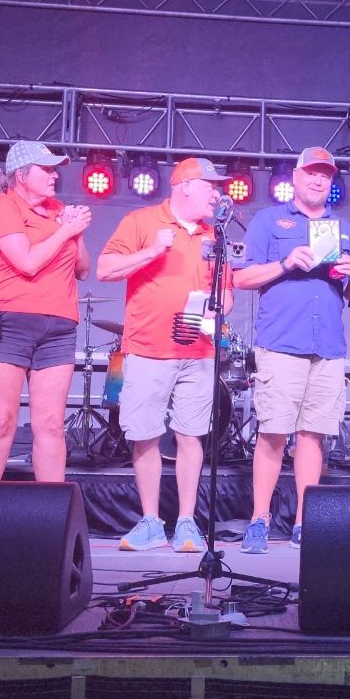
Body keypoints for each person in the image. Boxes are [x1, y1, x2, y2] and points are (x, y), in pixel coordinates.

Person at [232, 147, 350, 553]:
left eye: (325, 175)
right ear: (297, 174)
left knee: (313, 435)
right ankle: (260, 518)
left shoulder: (344, 230)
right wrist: (287, 263)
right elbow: (242, 278)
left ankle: (306, 524)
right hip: (281, 345)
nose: (318, 180)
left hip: (326, 347)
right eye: (312, 172)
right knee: (273, 432)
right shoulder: (268, 221)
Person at [97, 157, 233, 552]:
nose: (217, 193)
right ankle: (151, 521)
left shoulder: (215, 236)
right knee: (145, 435)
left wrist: (216, 306)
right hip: (147, 348)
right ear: (186, 186)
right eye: (210, 186)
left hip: (199, 351)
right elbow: (104, 269)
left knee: (191, 437)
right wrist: (152, 251)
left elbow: (226, 291)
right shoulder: (141, 222)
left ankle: (187, 522)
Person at [0, 140, 93, 483]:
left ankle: (51, 514)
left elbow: (82, 269)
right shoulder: (3, 205)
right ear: (21, 175)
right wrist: (66, 230)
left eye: (55, 169)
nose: (54, 176)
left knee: (51, 423)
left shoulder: (56, 210)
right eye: (46, 169)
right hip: (9, 318)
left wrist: (76, 234)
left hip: (59, 322)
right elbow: (27, 263)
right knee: (1, 419)